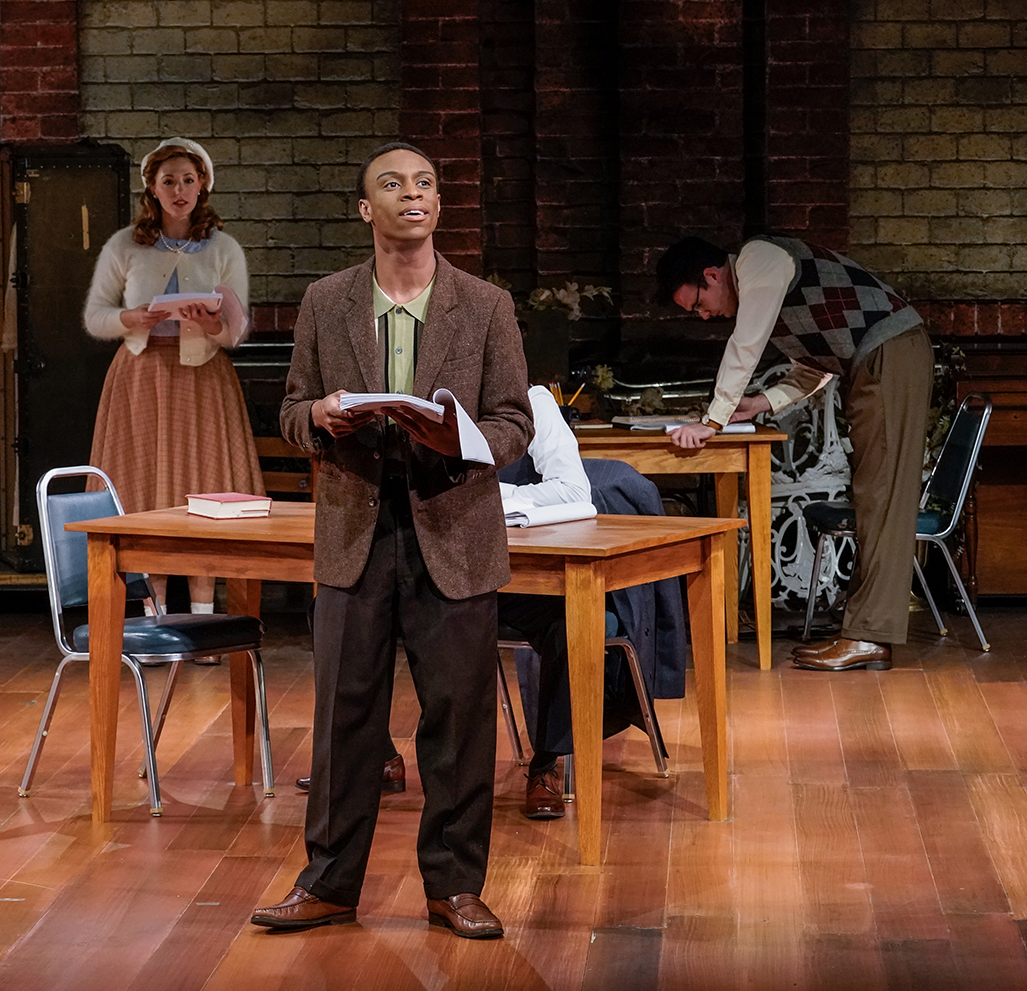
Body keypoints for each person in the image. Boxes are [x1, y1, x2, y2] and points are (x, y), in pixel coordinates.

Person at [251, 142, 533, 939]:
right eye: (393, 183)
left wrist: (458, 437)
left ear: (437, 204)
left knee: (457, 719)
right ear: (364, 208)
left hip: (454, 529)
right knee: (344, 719)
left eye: (425, 183)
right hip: (356, 530)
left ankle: (454, 886)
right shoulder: (326, 300)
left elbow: (515, 421)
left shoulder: (484, 304)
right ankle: (327, 882)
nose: (413, 193)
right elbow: (291, 408)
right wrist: (319, 417)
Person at [656, 234, 933, 672]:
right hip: (875, 360)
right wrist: (759, 403)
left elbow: (745, 344)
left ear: (712, 275)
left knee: (882, 496)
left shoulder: (759, 260)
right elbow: (814, 368)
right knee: (873, 495)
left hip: (890, 352)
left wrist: (712, 420)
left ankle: (870, 636)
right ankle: (862, 631)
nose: (704, 316)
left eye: (698, 305)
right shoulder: (768, 290)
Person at [83, 138, 264, 615]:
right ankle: (154, 618)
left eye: (188, 180)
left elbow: (236, 330)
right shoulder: (125, 245)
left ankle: (204, 616)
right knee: (145, 492)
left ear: (202, 185)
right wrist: (131, 318)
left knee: (205, 490)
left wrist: (211, 324)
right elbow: (95, 316)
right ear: (152, 188)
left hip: (202, 378)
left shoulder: (223, 247)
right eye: (169, 181)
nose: (179, 190)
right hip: (141, 377)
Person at [498, 386, 688, 818]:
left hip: (520, 577)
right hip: (440, 571)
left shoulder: (532, 401)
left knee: (573, 619)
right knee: (357, 612)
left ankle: (545, 762)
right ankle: (379, 755)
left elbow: (572, 491)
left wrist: (488, 497)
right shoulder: (424, 404)